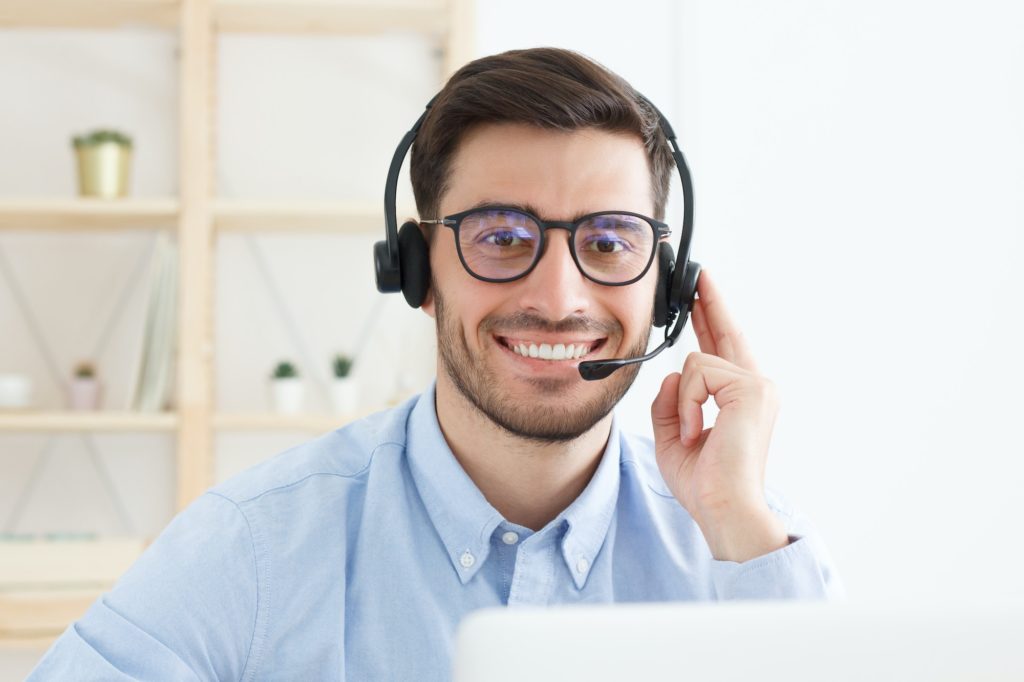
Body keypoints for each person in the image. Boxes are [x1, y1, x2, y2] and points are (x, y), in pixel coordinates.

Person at [30, 47, 843, 681]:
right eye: (500, 237)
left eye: (607, 241)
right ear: (417, 271)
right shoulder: (255, 548)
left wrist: (737, 523)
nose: (559, 297)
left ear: (665, 285)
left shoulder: (738, 546)